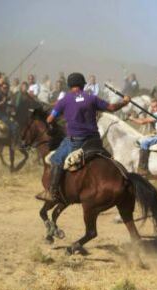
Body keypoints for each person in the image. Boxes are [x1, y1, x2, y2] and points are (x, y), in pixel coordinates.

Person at [37, 72, 131, 202]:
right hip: (94, 140)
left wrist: (60, 112)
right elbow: (112, 107)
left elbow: (49, 119)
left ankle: (51, 192)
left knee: (56, 159)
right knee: (110, 158)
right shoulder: (92, 98)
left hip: (75, 141)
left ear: (69, 85)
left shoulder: (63, 101)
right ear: (82, 84)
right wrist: (125, 102)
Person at [129, 99, 157, 176]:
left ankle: (143, 168)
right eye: (152, 107)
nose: (153, 109)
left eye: (155, 107)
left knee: (144, 143)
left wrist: (132, 118)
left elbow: (142, 122)